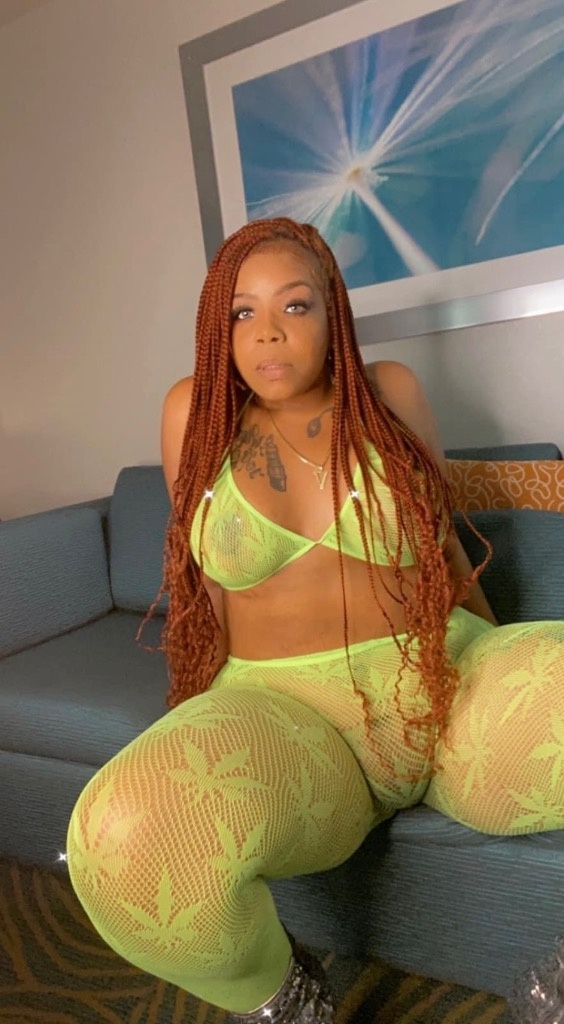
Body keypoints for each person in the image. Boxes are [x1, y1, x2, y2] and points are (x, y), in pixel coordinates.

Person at [66, 218, 564, 1022]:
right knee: (127, 838)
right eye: (243, 312)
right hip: (291, 718)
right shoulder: (194, 413)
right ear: (218, 326)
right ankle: (288, 1002)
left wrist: (508, 652)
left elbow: (441, 548)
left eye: (294, 306)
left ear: (334, 314)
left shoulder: (390, 391)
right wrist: (200, 717)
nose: (268, 331)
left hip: (443, 681)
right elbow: (204, 590)